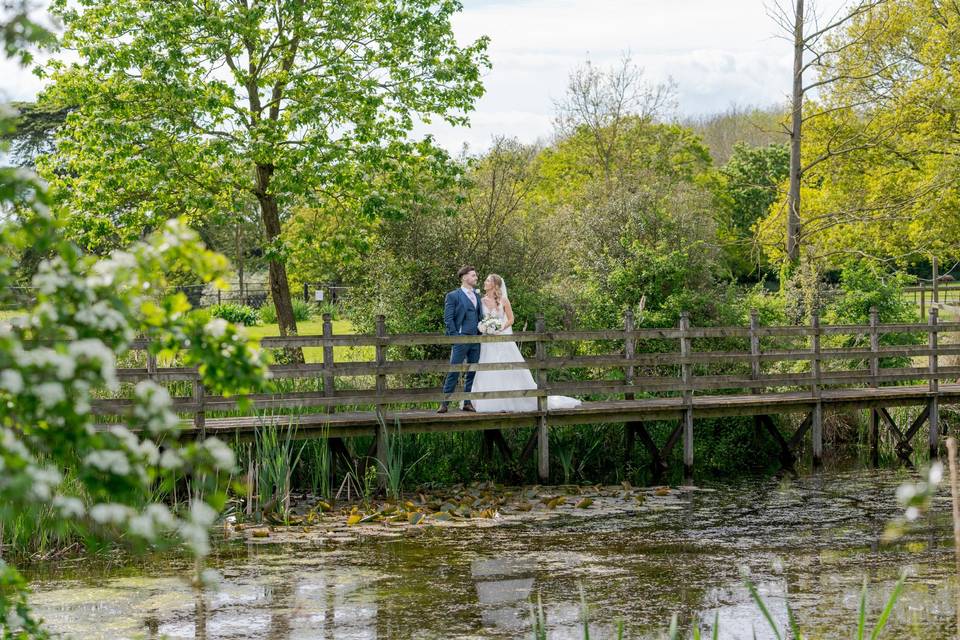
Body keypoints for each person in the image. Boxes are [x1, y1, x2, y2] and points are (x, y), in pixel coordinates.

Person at [471, 273, 581, 412]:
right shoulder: (481, 301)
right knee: (486, 368)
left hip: (502, 340)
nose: (484, 282)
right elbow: (479, 320)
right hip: (487, 342)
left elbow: (511, 319)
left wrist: (499, 327)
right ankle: (486, 401)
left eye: (487, 280)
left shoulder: (504, 300)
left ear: (495, 285)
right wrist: (486, 327)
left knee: (508, 370)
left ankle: (510, 400)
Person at [437, 265, 484, 413]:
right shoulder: (453, 296)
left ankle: (467, 402)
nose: (476, 278)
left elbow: (478, 316)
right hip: (461, 338)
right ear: (464, 277)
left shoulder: (477, 296)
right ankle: (444, 403)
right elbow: (448, 318)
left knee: (472, 370)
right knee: (454, 370)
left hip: (476, 339)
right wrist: (455, 336)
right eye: (473, 275)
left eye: (476, 276)